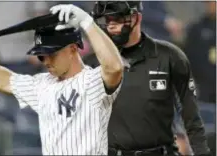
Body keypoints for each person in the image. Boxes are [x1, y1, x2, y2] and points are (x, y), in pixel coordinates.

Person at [0, 4, 124, 155]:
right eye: (41, 56)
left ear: (72, 48)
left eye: (51, 54)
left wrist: (87, 22)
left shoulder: (92, 81)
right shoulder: (42, 84)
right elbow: (5, 80)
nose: (46, 61)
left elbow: (114, 67)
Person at [84, 1, 210, 155]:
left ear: (136, 18)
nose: (111, 26)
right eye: (106, 20)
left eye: (117, 19)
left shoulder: (169, 56)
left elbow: (191, 118)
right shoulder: (91, 64)